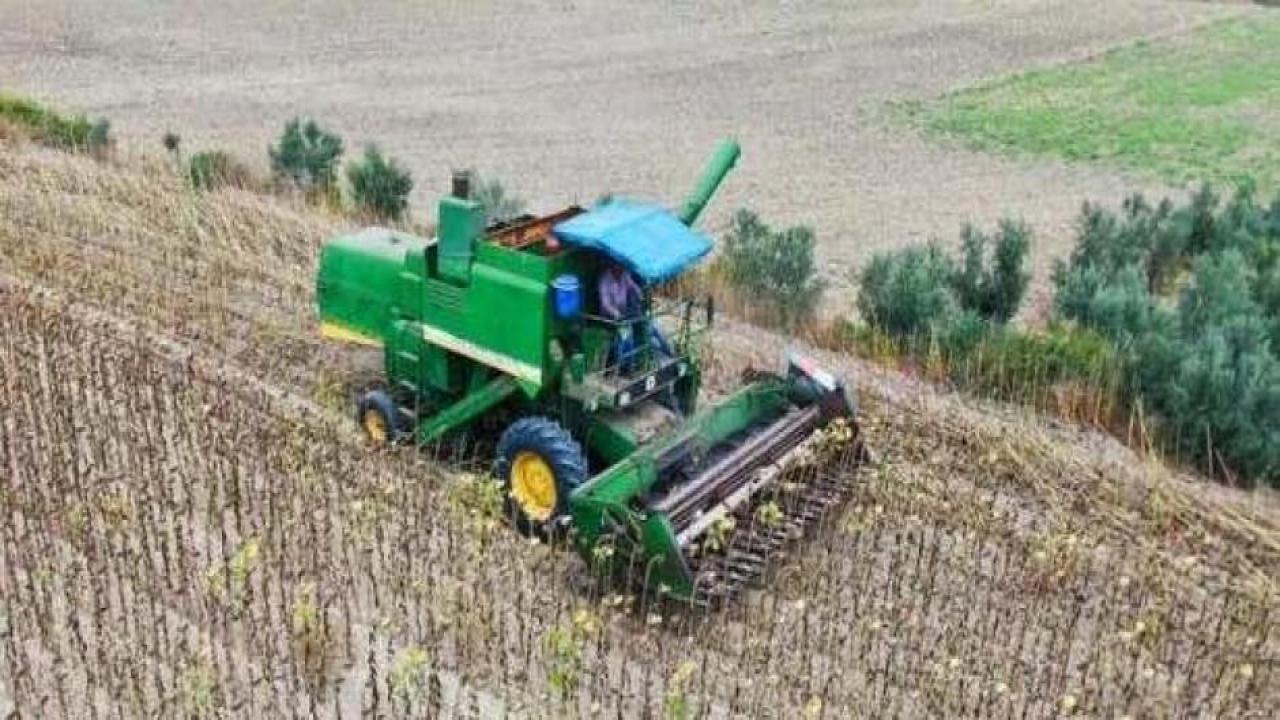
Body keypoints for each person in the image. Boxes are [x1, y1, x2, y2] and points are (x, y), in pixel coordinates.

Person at [598, 261, 643, 373]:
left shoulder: (624, 275)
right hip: (608, 317)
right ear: (613, 267)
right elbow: (605, 303)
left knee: (635, 328)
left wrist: (639, 294)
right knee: (626, 333)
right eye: (618, 268)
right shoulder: (605, 280)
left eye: (622, 268)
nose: (621, 271)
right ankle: (624, 366)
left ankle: (629, 363)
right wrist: (616, 314)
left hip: (623, 314)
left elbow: (633, 286)